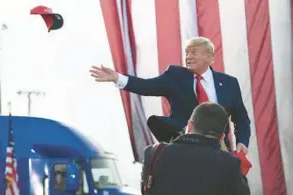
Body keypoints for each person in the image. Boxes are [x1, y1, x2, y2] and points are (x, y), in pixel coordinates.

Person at [90, 36, 250, 153]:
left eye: (194, 53)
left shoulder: (229, 83)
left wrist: (242, 142)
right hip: (186, 149)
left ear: (209, 58)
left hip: (219, 150)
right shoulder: (175, 76)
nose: (189, 57)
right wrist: (117, 78)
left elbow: (241, 119)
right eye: (187, 53)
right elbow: (146, 86)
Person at [141, 102, 250, 195]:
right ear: (221, 137)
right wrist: (226, 152)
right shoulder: (229, 163)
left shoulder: (153, 153)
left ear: (190, 125)